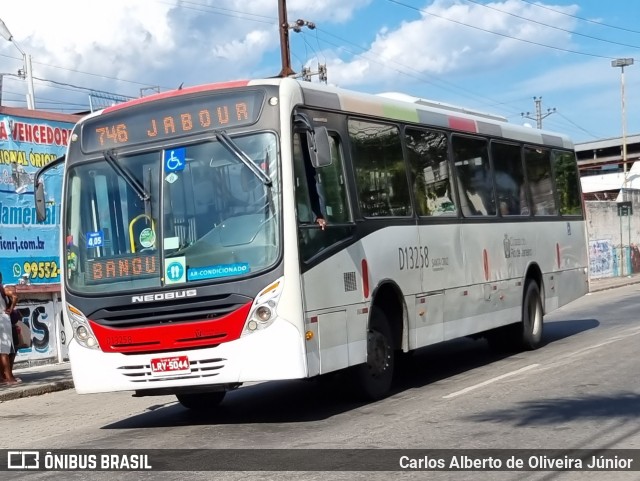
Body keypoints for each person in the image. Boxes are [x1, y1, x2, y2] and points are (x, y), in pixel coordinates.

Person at [0, 272, 20, 385]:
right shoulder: (3, 289)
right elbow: (15, 296)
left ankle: (2, 377)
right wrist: (11, 308)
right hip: (3, 319)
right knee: (4, 351)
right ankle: (8, 377)